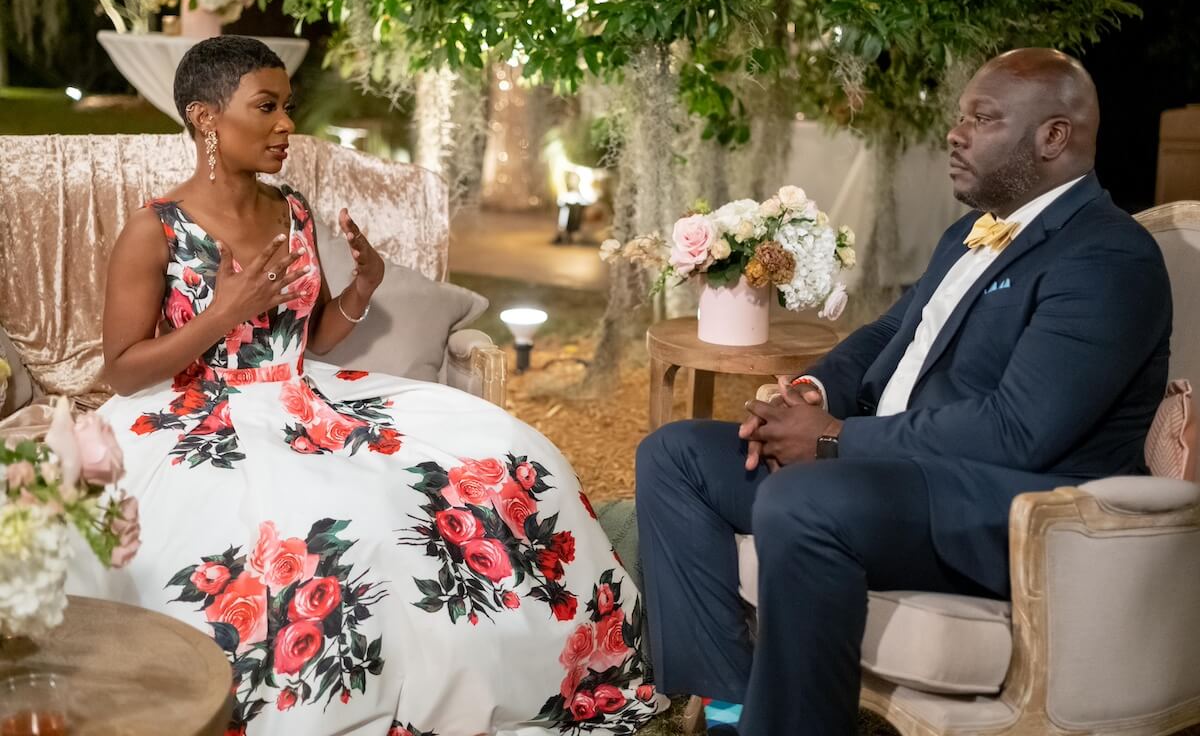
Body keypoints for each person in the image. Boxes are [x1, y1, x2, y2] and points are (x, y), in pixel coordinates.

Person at [75, 36, 664, 736]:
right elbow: (122, 366)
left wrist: (362, 290)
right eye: (265, 107)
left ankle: (554, 668)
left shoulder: (291, 211)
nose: (286, 124)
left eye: (287, 106)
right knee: (323, 522)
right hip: (200, 412)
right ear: (205, 118)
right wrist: (225, 314)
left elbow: (314, 336)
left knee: (504, 451)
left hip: (306, 393)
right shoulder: (155, 229)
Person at [635, 48, 1171, 735]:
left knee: (804, 498)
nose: (956, 133)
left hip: (1002, 505)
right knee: (675, 454)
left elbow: (1020, 431)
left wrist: (832, 440)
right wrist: (807, 393)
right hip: (889, 471)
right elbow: (886, 335)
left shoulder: (1108, 256)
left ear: (1052, 137)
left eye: (982, 118)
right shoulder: (967, 236)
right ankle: (727, 708)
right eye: (959, 117)